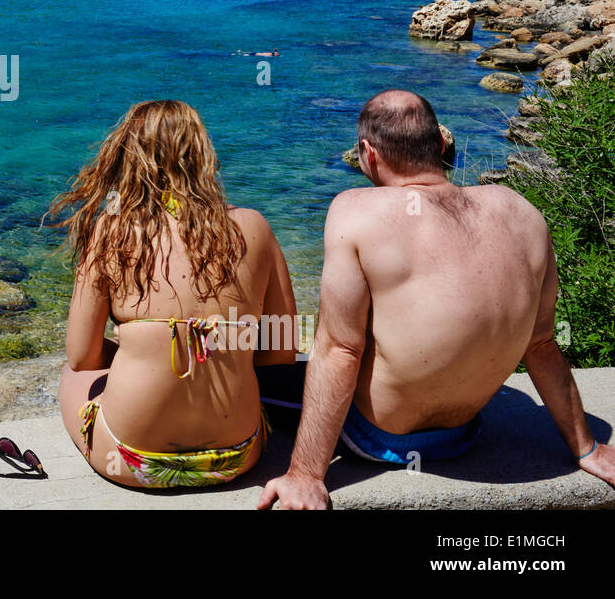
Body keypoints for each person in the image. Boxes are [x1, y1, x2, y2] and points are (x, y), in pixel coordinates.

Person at [259, 89, 615, 509]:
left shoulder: (354, 210)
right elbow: (540, 344)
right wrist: (588, 448)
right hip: (464, 431)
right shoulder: (519, 209)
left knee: (256, 377)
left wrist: (305, 474)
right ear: (442, 144)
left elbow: (341, 350)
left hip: (379, 437)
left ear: (367, 153)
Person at [52, 100, 298, 489]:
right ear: (202, 155)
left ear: (127, 158)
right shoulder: (254, 227)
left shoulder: (110, 232)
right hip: (237, 455)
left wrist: (142, 346)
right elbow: (281, 351)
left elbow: (82, 357)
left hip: (132, 459)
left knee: (71, 376)